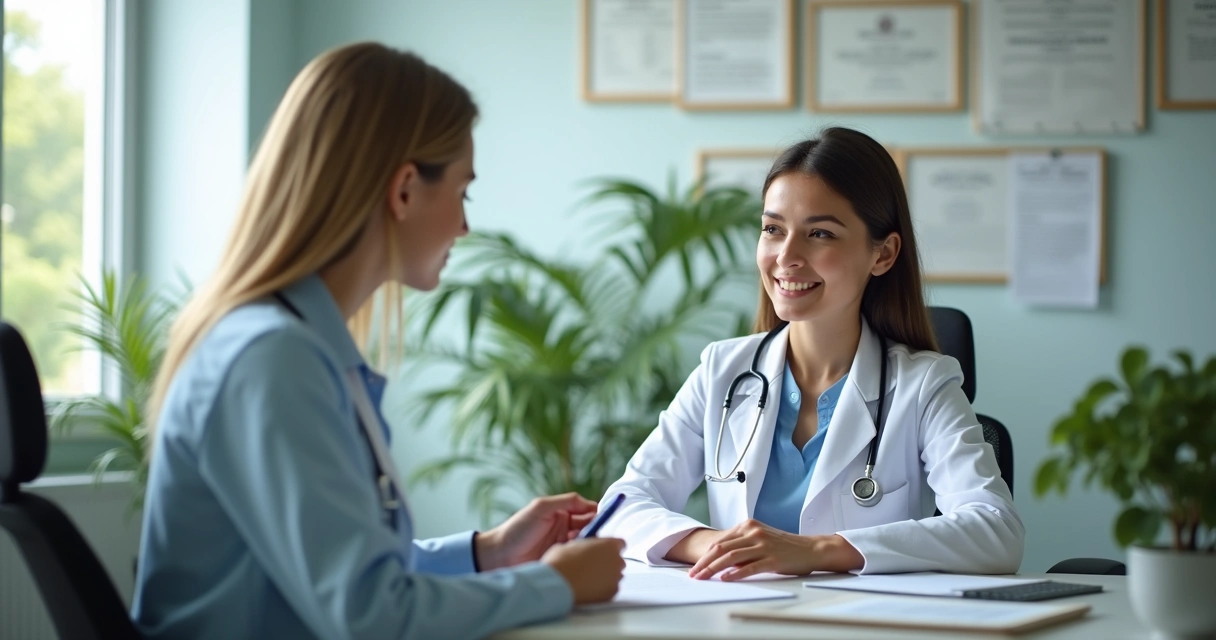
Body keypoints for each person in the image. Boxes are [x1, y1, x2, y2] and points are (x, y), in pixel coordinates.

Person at [130, 42, 625, 639]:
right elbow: (371, 617)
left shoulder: (294, 345)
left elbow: (341, 572)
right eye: (463, 191)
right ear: (406, 189)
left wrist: (488, 551)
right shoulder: (271, 360)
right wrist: (558, 584)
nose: (466, 226)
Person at [596, 127, 1024, 581]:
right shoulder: (722, 371)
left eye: (819, 233)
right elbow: (620, 509)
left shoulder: (923, 384)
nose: (786, 256)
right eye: (772, 229)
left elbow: (996, 532)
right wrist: (723, 546)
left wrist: (817, 551)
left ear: (883, 254)